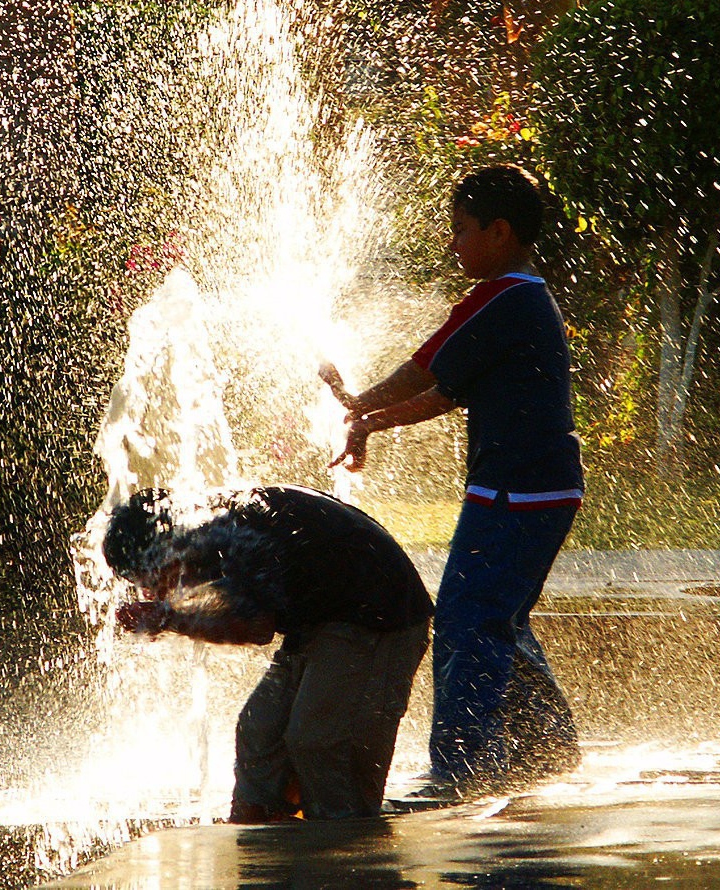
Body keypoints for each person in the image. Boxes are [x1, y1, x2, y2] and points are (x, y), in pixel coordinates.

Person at [320, 164, 584, 799]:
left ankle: (459, 768)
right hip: (534, 487)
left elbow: (424, 371)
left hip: (517, 492)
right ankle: (548, 747)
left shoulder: (505, 297)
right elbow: (446, 392)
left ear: (499, 232)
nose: (452, 243)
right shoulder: (522, 298)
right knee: (499, 617)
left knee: (470, 619)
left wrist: (360, 408)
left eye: (460, 231)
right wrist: (365, 414)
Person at [103, 484, 432, 822]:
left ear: (166, 548)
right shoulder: (210, 526)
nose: (149, 589)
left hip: (380, 618)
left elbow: (254, 627)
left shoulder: (233, 537)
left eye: (148, 575)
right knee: (257, 731)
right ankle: (261, 822)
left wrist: (169, 619)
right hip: (325, 618)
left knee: (318, 739)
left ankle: (344, 847)